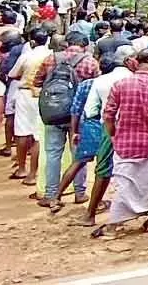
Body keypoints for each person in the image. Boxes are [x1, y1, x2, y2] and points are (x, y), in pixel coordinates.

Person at [95, 48, 148, 238]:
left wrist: (112, 134)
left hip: (125, 142)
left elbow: (108, 114)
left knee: (124, 184)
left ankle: (114, 225)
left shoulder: (121, 85)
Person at [72, 46, 137, 227]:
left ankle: (90, 214)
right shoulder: (137, 80)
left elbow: (90, 110)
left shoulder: (100, 81)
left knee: (103, 171)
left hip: (109, 129)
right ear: (129, 60)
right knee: (133, 171)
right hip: (134, 130)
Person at [34, 31, 100, 208]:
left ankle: (50, 194)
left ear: (66, 44)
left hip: (53, 113)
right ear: (85, 46)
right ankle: (79, 193)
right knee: (79, 155)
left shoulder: (51, 58)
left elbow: (37, 81)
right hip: (78, 115)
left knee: (53, 153)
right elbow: (95, 87)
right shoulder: (90, 62)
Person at [47, 55, 114, 214]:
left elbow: (75, 110)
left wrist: (75, 130)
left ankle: (56, 197)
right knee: (103, 167)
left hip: (89, 125)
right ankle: (95, 202)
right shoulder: (113, 84)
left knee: (78, 162)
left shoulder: (85, 85)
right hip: (105, 125)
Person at [7, 28, 52, 185]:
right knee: (38, 134)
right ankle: (34, 173)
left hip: (26, 94)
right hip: (43, 96)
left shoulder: (27, 56)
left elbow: (13, 74)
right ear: (47, 40)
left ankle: (22, 169)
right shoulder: (51, 56)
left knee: (22, 132)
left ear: (32, 41)